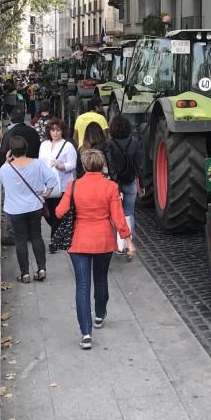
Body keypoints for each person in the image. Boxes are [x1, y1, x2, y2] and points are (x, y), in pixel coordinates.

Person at [55, 149, 134, 350]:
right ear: (102, 166)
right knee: (101, 279)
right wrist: (128, 242)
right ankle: (100, 314)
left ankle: (86, 333)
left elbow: (59, 212)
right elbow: (118, 218)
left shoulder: (74, 185)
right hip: (103, 241)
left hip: (79, 241)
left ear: (84, 165)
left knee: (82, 286)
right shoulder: (111, 187)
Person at [0, 136, 57, 284]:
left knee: (20, 239)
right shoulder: (37, 164)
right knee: (36, 236)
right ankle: (41, 269)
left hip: (15, 209)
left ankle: (25, 274)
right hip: (34, 206)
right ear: (26, 148)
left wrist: (6, 160)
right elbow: (52, 180)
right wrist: (47, 193)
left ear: (11, 151)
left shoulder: (6, 169)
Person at [103, 115, 145, 255]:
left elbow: (111, 168)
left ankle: (119, 245)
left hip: (115, 184)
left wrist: (116, 185)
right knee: (129, 213)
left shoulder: (109, 145)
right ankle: (128, 243)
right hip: (131, 181)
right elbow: (140, 166)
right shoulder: (135, 143)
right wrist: (142, 185)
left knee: (115, 214)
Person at [38, 117, 77, 254]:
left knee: (57, 213)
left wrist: (61, 166)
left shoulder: (68, 146)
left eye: (58, 130)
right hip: (46, 184)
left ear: (62, 131)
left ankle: (54, 242)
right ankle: (58, 237)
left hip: (62, 185)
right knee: (48, 213)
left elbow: (73, 165)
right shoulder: (44, 145)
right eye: (53, 130)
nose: (55, 133)